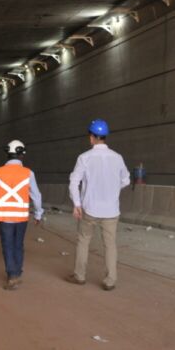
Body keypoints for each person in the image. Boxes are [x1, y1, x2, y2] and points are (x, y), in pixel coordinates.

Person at [67, 119, 130, 291]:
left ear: (92, 137)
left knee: (83, 241)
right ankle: (110, 280)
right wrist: (112, 190)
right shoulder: (117, 158)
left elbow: (74, 182)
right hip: (111, 210)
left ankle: (79, 276)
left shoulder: (84, 158)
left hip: (90, 209)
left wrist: (77, 204)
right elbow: (125, 180)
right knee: (110, 244)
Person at [0, 140, 44, 290]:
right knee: (18, 244)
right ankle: (17, 271)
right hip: (21, 217)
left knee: (7, 245)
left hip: (5, 217)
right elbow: (36, 196)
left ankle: (12, 275)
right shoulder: (28, 173)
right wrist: (38, 214)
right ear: (21, 155)